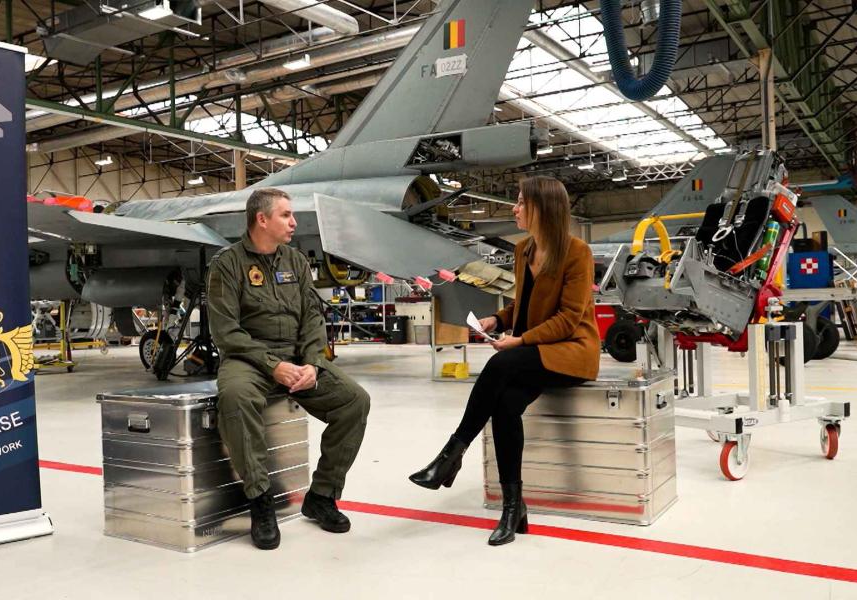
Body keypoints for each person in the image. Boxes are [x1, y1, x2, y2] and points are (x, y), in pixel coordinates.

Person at [409, 176, 600, 546]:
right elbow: (524, 306)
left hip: (571, 348)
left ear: (542, 209)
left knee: (499, 365)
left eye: (520, 203)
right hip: (534, 352)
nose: (514, 209)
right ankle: (514, 506)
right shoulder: (524, 249)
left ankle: (451, 454)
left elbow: (568, 318)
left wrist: (520, 340)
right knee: (506, 406)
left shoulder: (577, 253)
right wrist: (498, 320)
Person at [207, 187, 371, 550]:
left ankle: (322, 495)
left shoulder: (295, 262)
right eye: (286, 215)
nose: (294, 222)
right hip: (248, 360)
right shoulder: (228, 264)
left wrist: (312, 363)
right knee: (235, 397)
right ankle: (260, 499)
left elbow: (313, 317)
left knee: (354, 401)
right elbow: (226, 331)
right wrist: (272, 365)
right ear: (261, 219)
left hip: (297, 358)